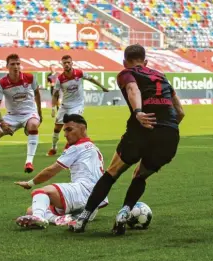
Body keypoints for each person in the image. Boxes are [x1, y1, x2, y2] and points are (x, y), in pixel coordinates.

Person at [70, 44, 185, 234]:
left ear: (125, 62)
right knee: (140, 175)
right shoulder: (161, 76)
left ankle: (83, 219)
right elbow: (180, 112)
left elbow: (133, 89)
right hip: (170, 134)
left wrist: (139, 112)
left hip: (140, 129)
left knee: (112, 173)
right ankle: (124, 213)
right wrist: (165, 131)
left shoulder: (126, 73)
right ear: (146, 61)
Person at [15, 114, 108, 229]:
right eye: (65, 131)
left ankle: (37, 219)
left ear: (82, 129)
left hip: (84, 191)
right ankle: (61, 219)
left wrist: (30, 183)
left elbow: (51, 170)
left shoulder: (77, 147)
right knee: (31, 210)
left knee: (41, 192)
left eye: (69, 130)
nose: (65, 134)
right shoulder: (93, 147)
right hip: (95, 198)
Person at [0, 53, 42, 174]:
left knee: (33, 125)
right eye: (13, 64)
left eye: (18, 64)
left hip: (29, 113)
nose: (16, 66)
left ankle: (29, 162)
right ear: (7, 66)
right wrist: (3, 123)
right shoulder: (2, 83)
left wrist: (39, 113)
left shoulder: (30, 77)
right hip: (11, 116)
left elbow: (37, 94)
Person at [46, 55, 109, 156]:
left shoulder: (79, 73)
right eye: (64, 63)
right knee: (57, 128)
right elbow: (55, 94)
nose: (66, 64)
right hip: (65, 106)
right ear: (62, 65)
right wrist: (53, 108)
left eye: (68, 62)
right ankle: (53, 147)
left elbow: (91, 79)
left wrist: (102, 87)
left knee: (72, 125)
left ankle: (71, 147)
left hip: (77, 105)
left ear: (72, 63)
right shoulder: (60, 79)